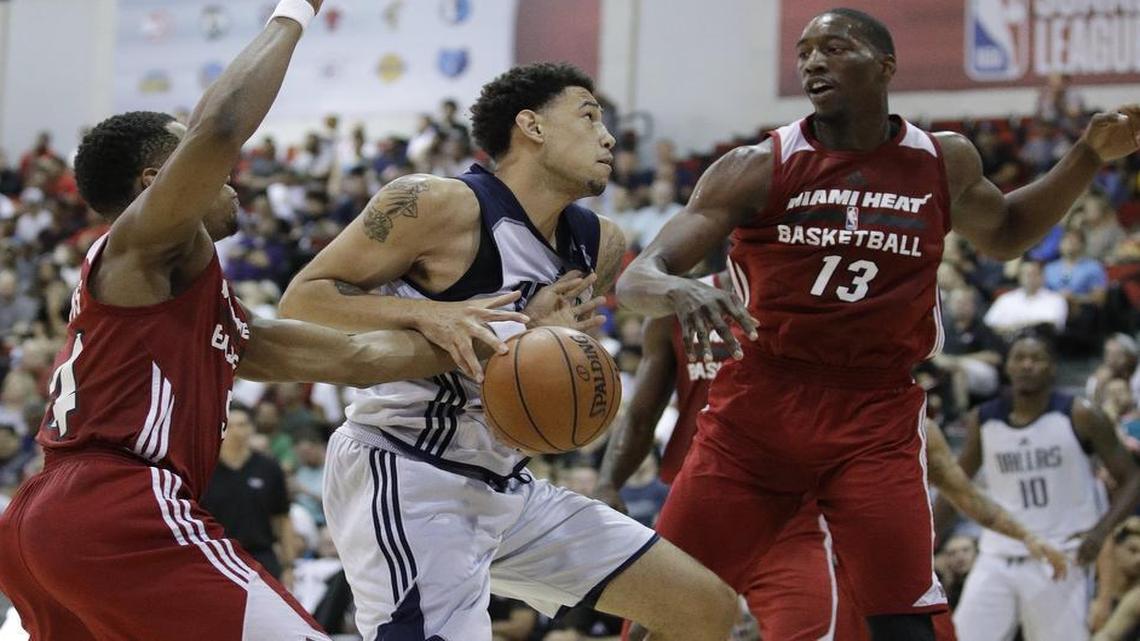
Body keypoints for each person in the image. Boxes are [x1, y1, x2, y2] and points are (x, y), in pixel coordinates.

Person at [0, 3, 528, 639]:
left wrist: (497, 336)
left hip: (44, 520)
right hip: (117, 504)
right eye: (209, 166)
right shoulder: (141, 245)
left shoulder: (197, 315)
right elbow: (220, 126)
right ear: (159, 181)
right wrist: (295, 10)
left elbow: (358, 359)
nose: (232, 178)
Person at [614, 7, 1140, 640]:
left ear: (885, 65)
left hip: (875, 413)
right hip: (759, 408)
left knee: (903, 622)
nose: (813, 61)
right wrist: (675, 288)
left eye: (834, 48)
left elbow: (1005, 233)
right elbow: (638, 278)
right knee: (662, 608)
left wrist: (1085, 155)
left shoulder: (942, 159)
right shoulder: (756, 165)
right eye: (805, 51)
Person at [278, 62, 737, 641]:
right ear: (532, 126)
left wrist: (553, 358)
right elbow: (303, 300)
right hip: (406, 466)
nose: (608, 138)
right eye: (589, 117)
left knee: (704, 608)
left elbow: (534, 373)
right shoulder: (433, 203)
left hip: (507, 479)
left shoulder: (600, 243)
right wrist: (434, 314)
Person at [596, 280, 1067, 641]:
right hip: (713, 499)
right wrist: (608, 482)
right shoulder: (685, 310)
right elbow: (639, 412)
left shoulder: (879, 398)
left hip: (806, 532)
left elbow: (957, 487)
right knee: (650, 624)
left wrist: (1027, 536)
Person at [941, 332, 1140, 641]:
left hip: (1060, 555)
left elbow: (1133, 478)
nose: (1027, 365)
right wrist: (928, 537)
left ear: (1053, 366)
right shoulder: (984, 419)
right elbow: (956, 484)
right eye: (1019, 358)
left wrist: (1101, 532)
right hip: (997, 555)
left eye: (1036, 358)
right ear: (1007, 366)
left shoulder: (1081, 414)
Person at [201, 403, 296, 583]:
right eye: (230, 426)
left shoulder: (269, 468)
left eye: (242, 425)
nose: (236, 431)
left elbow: (282, 519)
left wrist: (289, 566)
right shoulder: (204, 470)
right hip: (216, 559)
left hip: (261, 557)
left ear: (252, 428)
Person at [1090, 518, 1140, 640]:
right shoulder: (1088, 593)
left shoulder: (1136, 601)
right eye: (1132, 550)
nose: (1138, 559)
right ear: (1113, 549)